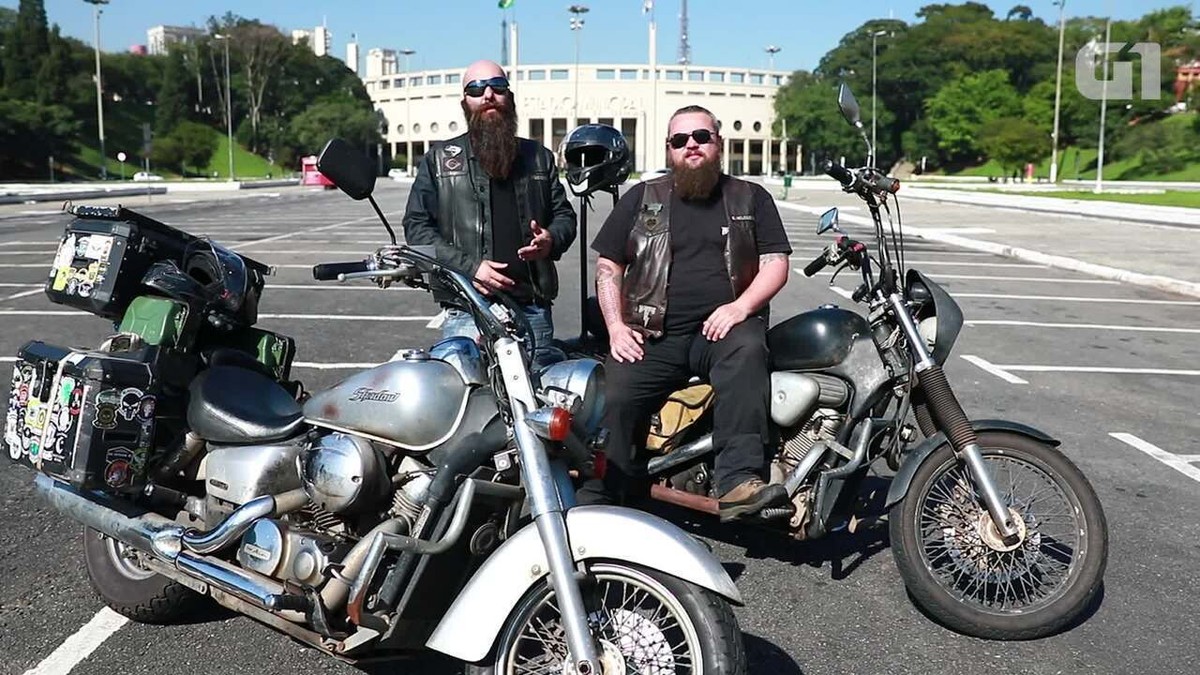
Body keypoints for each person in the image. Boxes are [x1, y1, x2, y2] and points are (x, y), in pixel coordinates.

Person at [576, 104, 793, 523]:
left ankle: (738, 482)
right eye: (680, 140)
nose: (691, 146)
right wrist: (617, 327)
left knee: (748, 351)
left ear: (718, 143)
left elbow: (775, 263)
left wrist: (740, 308)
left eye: (701, 137)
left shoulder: (750, 197)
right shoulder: (644, 197)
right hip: (653, 333)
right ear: (669, 149)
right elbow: (608, 266)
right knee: (617, 390)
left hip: (722, 330)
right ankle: (610, 491)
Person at [402, 59, 577, 360]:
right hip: (467, 313)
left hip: (532, 311)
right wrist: (471, 268)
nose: (488, 95)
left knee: (536, 402)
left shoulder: (539, 158)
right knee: (467, 401)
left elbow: (564, 216)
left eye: (497, 87)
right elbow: (417, 228)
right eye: (476, 89)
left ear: (509, 97)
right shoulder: (440, 160)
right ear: (465, 103)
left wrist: (550, 239)